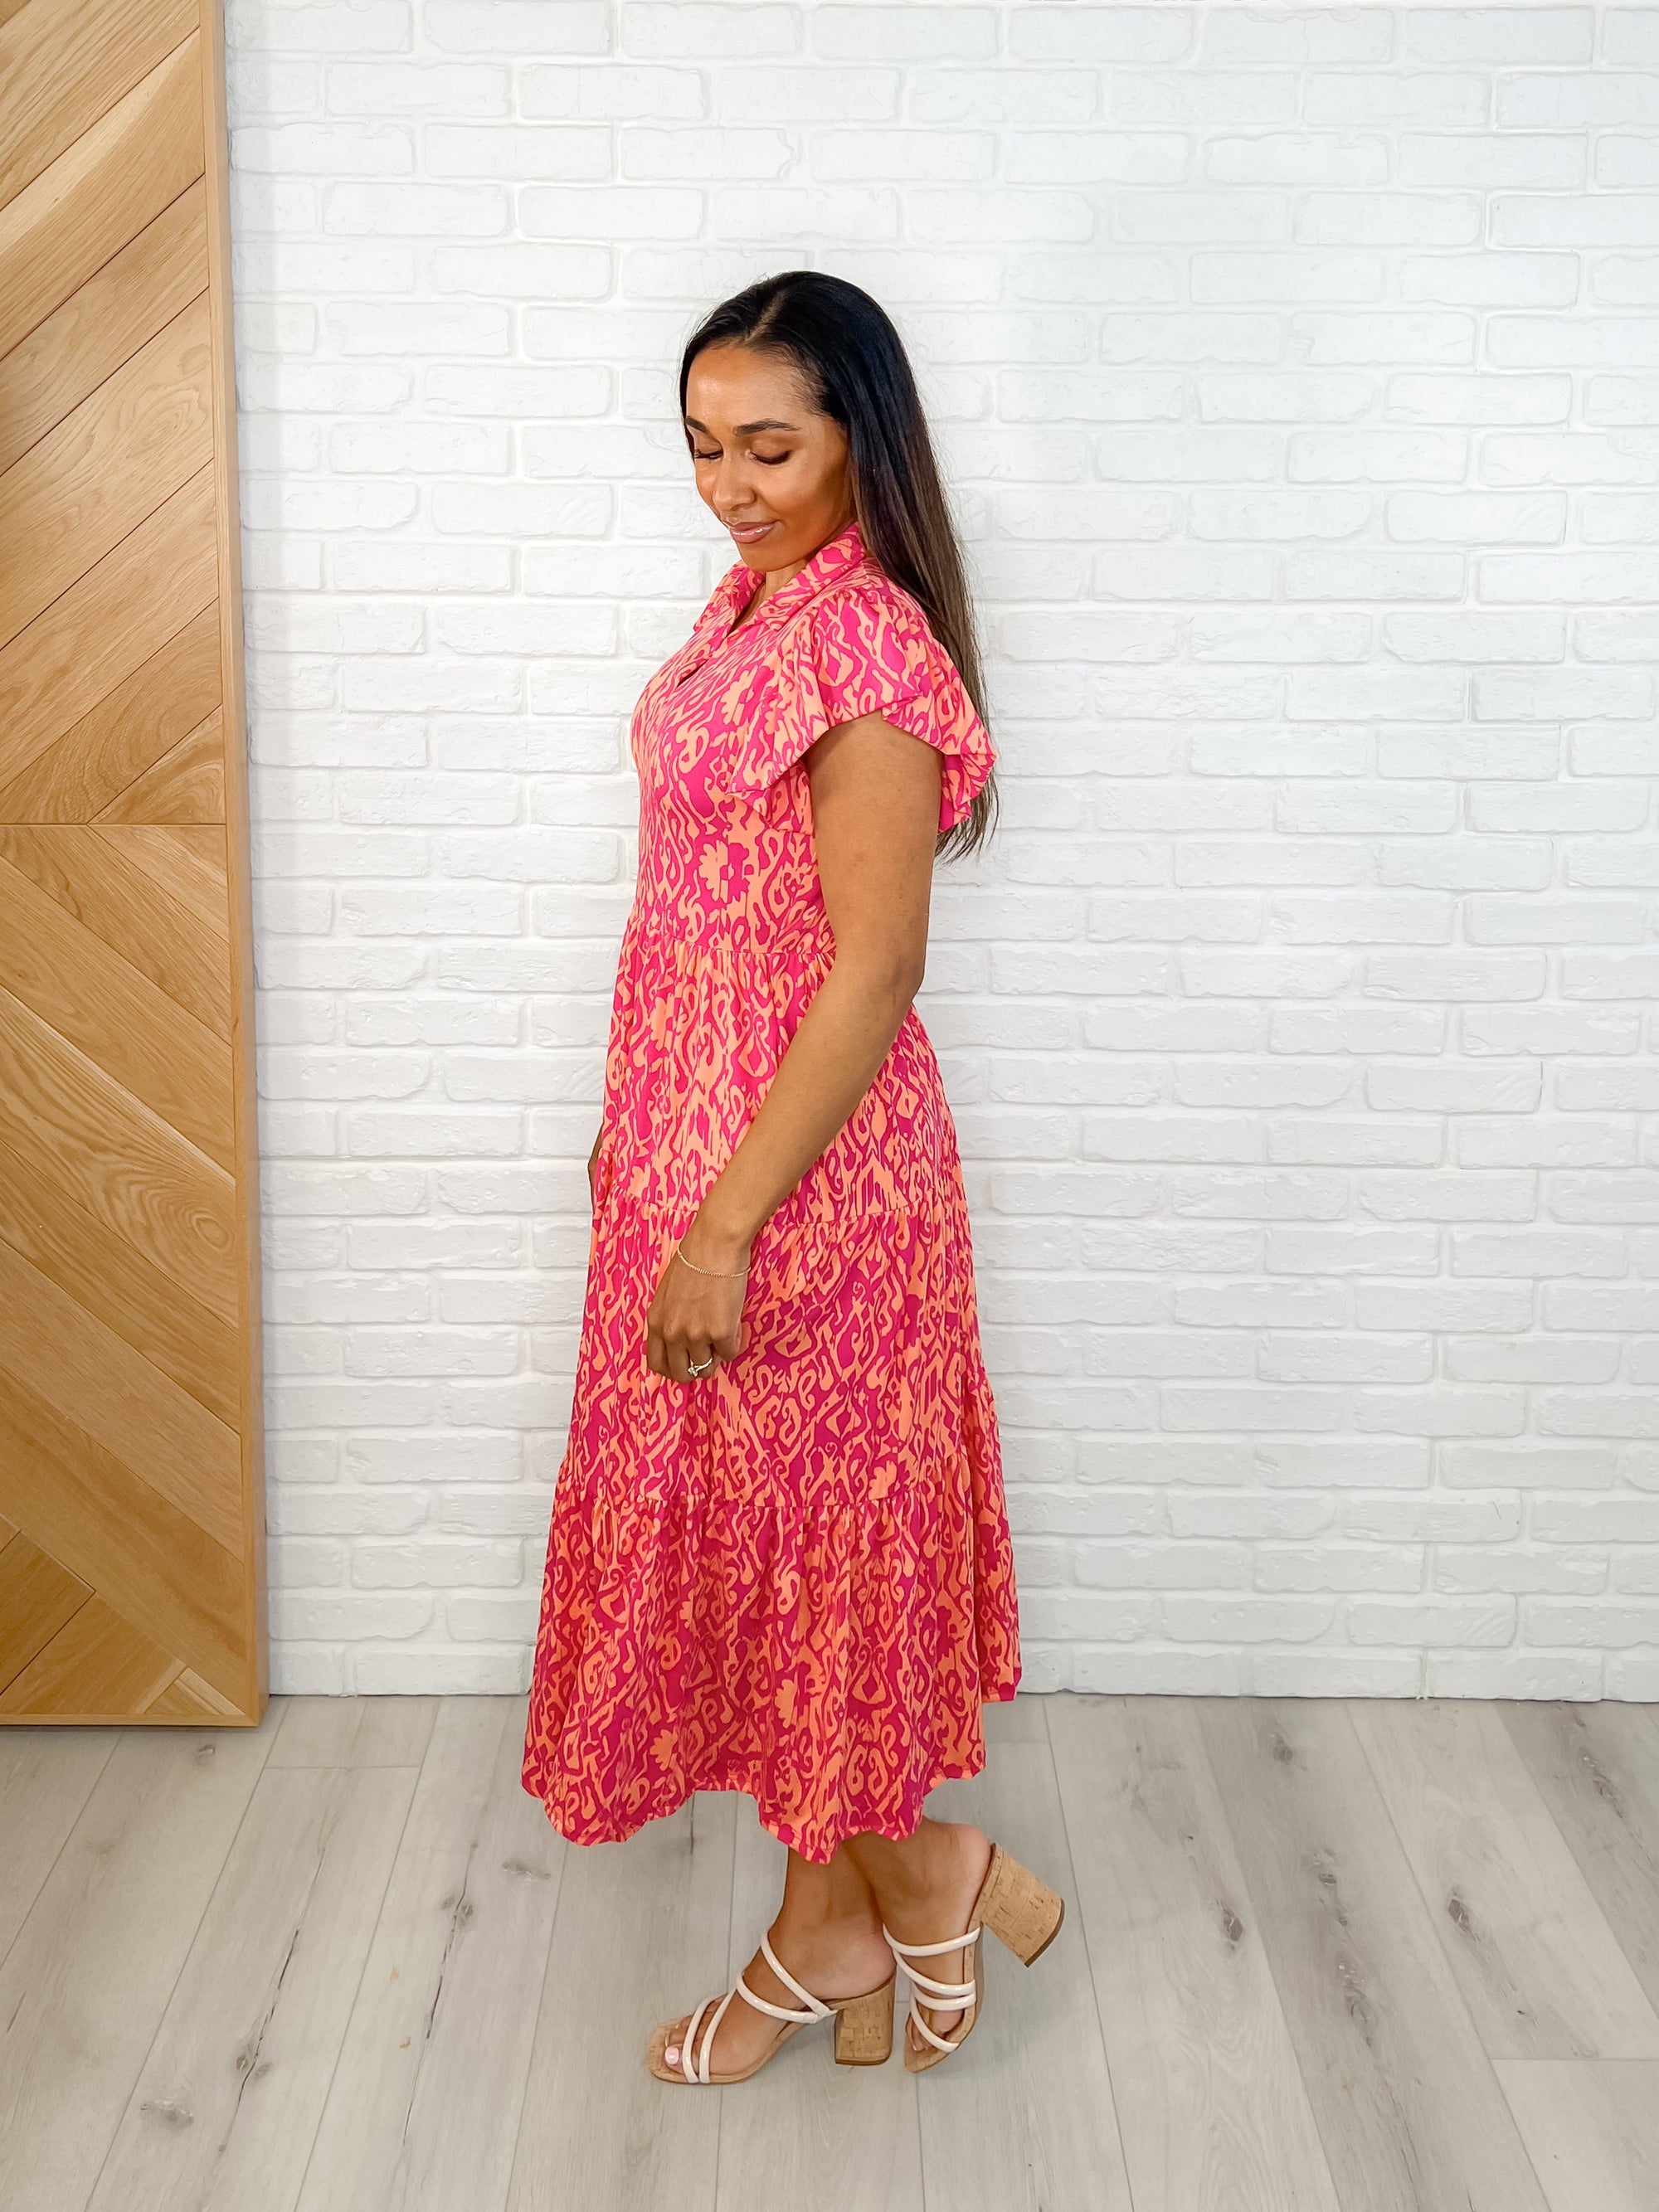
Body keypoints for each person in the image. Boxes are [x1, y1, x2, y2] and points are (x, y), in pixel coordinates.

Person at [520, 270, 1064, 2084]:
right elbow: (700, 911)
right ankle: (882, 1900)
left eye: (769, 447)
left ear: (860, 440)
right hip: (691, 1161)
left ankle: (862, 1909)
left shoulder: (868, 648)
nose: (729, 486)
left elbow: (873, 969)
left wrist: (724, 1221)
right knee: (765, 1562)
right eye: (701, 447)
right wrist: (635, 1132)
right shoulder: (749, 612)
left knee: (814, 1561)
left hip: (804, 1193)